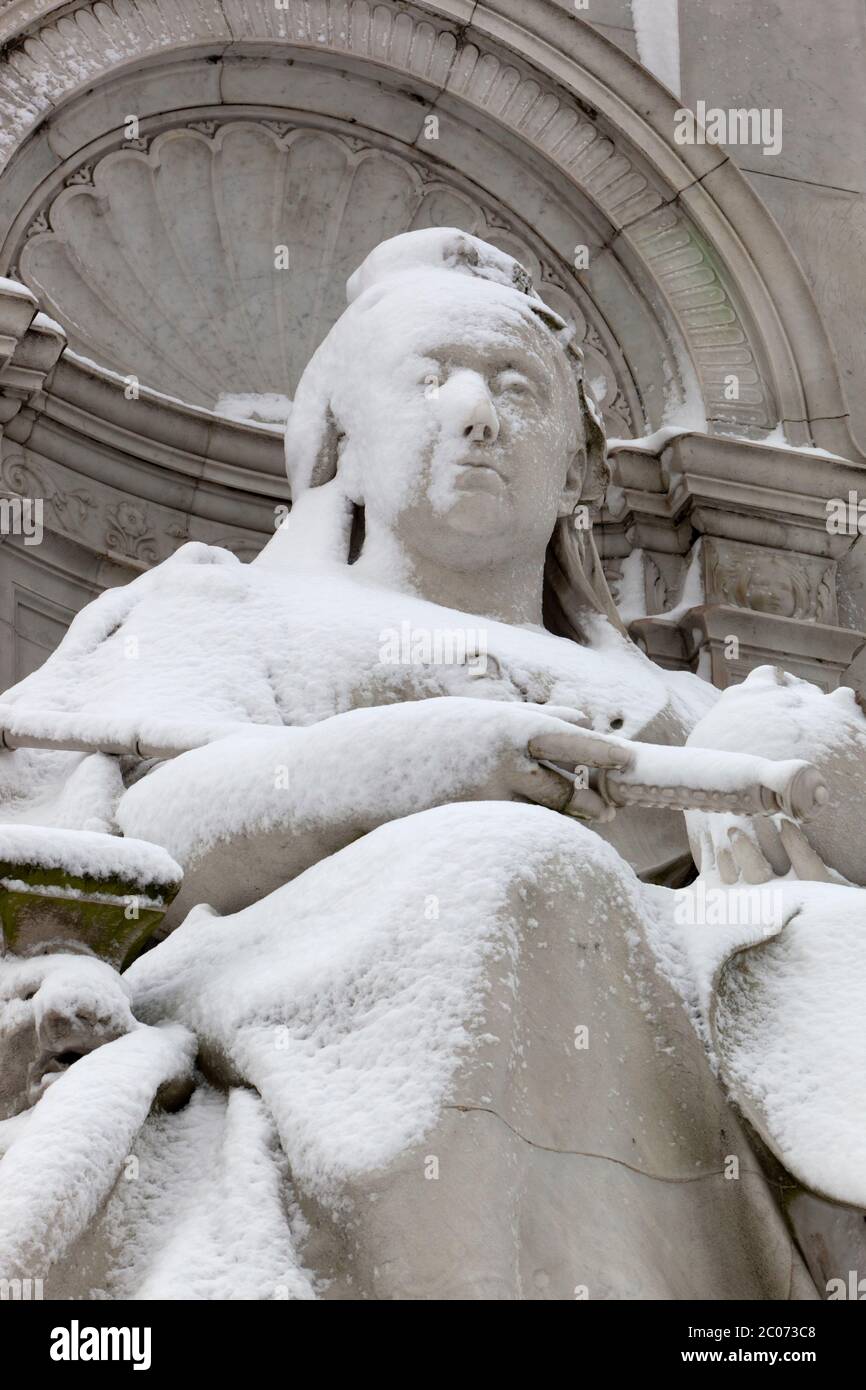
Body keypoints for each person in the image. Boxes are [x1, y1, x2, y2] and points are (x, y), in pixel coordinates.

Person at [0, 229, 860, 1299]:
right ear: (341, 442)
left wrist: (821, 781)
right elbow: (132, 852)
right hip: (304, 975)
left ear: (571, 475)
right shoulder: (230, 610)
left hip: (655, 1019)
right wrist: (426, 765)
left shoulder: (682, 699)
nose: (474, 409)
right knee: (504, 864)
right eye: (429, 374)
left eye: (514, 385)